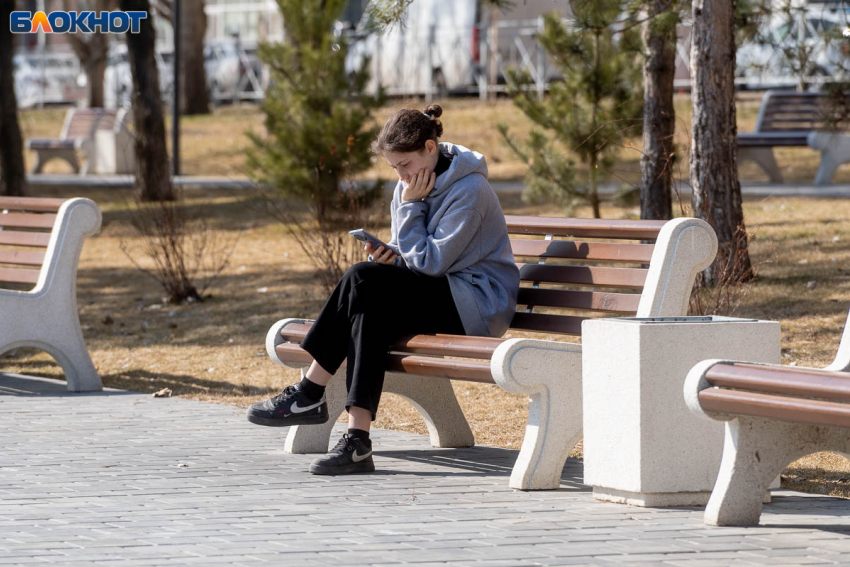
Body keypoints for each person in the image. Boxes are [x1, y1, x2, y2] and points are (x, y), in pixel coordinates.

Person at [247, 104, 520, 475]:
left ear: (429, 147)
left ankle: (310, 393)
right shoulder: (411, 184)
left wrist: (411, 208)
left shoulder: (470, 189)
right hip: (438, 291)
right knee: (368, 305)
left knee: (362, 279)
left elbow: (431, 263)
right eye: (394, 168)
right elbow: (413, 256)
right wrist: (390, 257)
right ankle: (357, 441)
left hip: (476, 303)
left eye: (405, 165)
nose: (402, 176)